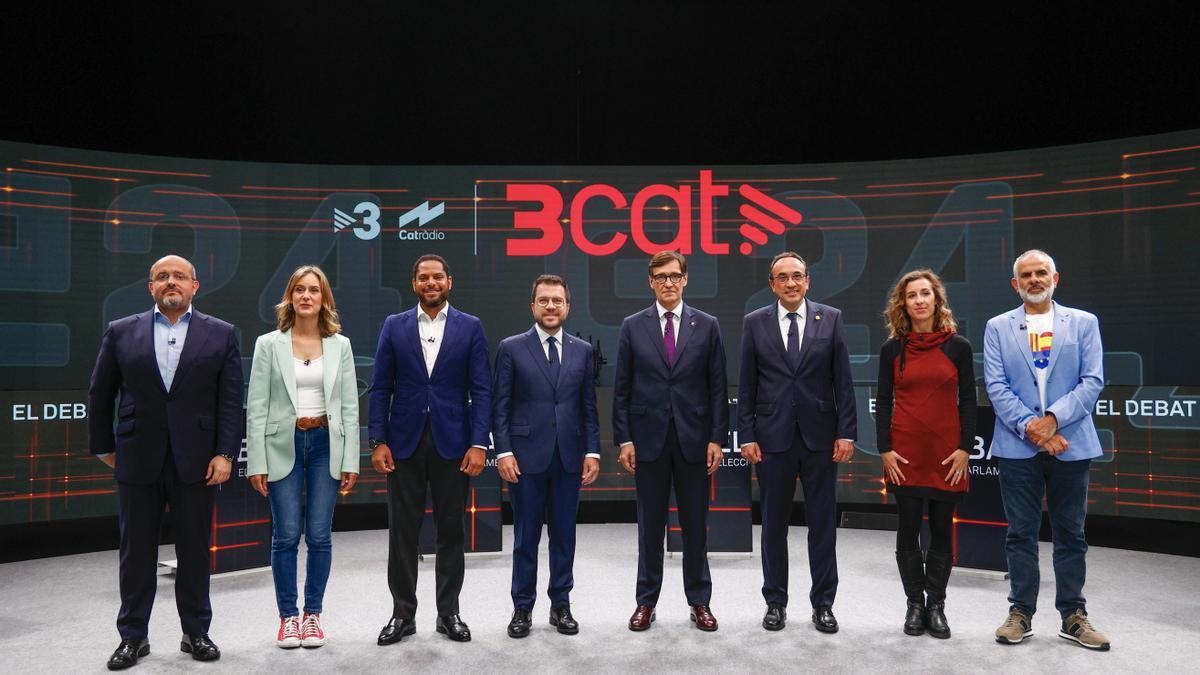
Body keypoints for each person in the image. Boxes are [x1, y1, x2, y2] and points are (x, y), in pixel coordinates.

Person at [88, 254, 242, 670]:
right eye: (162, 277)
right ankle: (133, 637)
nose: (170, 282)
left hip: (198, 461)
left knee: (195, 551)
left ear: (195, 286)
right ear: (150, 287)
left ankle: (196, 632)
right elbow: (100, 395)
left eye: (179, 276)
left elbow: (230, 402)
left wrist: (226, 453)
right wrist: (104, 449)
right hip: (138, 458)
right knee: (135, 553)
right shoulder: (120, 332)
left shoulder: (222, 334)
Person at [984, 249, 1110, 650]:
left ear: (1056, 279)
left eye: (1042, 273)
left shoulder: (1084, 323)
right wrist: (1033, 430)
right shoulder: (997, 327)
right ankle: (1020, 612)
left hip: (1070, 444)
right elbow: (996, 387)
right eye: (1026, 274)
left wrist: (1053, 421)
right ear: (1015, 284)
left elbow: (1092, 382)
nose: (1034, 279)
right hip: (1017, 447)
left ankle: (1073, 615)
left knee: (1071, 533)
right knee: (1020, 534)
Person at [368, 254, 491, 645]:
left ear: (449, 282)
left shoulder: (470, 327)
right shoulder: (394, 325)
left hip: (454, 443)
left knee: (451, 531)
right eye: (424, 278)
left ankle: (448, 613)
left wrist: (478, 443)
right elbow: (381, 386)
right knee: (402, 532)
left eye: (438, 276)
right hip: (403, 443)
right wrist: (378, 439)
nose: (431, 283)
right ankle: (402, 615)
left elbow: (482, 390)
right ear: (414, 283)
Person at [737, 251, 856, 634]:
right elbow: (747, 384)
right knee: (773, 526)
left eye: (798, 276)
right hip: (773, 439)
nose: (791, 283)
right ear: (771, 284)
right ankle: (775, 602)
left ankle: (824, 604)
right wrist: (747, 435)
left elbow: (843, 381)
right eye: (783, 277)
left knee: (823, 525)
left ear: (808, 281)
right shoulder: (754, 323)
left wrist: (846, 431)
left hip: (821, 438)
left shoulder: (831, 318)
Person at [245, 265, 360, 649]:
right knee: (286, 536)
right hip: (284, 444)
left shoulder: (339, 345)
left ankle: (313, 616)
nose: (306, 296)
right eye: (300, 290)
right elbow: (257, 406)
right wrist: (256, 462)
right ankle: (288, 618)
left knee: (320, 535)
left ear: (324, 298)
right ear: (290, 297)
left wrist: (351, 460)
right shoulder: (268, 344)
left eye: (314, 290)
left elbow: (348, 407)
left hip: (327, 443)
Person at [613, 251, 727, 632]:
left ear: (685, 279)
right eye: (660, 277)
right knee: (650, 527)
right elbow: (622, 389)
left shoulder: (707, 325)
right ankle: (646, 601)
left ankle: (700, 602)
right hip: (648, 442)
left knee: (696, 526)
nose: (667, 283)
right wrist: (624, 439)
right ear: (650, 282)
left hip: (694, 441)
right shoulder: (632, 326)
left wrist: (716, 439)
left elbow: (717, 388)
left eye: (674, 276)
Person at [492, 274, 601, 638]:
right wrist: (503, 451)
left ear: (568, 306)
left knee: (564, 536)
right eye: (544, 300)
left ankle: (561, 606)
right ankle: (522, 608)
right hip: (524, 459)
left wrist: (593, 451)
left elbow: (588, 407)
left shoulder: (582, 351)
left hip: (569, 458)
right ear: (533, 306)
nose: (551, 306)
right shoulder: (511, 347)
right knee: (526, 537)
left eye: (557, 300)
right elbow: (500, 405)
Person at [875, 269, 976, 639]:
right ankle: (914, 604)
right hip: (904, 454)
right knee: (907, 530)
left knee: (940, 531)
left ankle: (937, 605)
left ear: (937, 299)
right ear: (903, 303)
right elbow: (883, 402)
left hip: (947, 455)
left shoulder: (958, 347)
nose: (919, 300)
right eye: (911, 295)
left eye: (925, 294)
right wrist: (885, 449)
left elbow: (969, 401)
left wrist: (966, 448)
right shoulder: (892, 349)